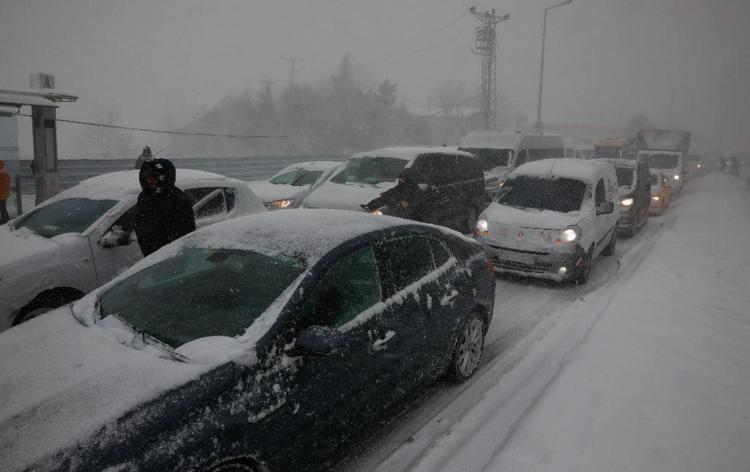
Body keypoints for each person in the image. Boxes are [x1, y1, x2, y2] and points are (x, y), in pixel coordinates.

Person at [134, 158, 196, 256]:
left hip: (173, 258)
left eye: (153, 179)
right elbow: (141, 226)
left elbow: (186, 235)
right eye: (147, 179)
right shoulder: (144, 197)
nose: (149, 182)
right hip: (150, 258)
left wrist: (166, 254)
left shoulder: (178, 199)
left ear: (163, 178)